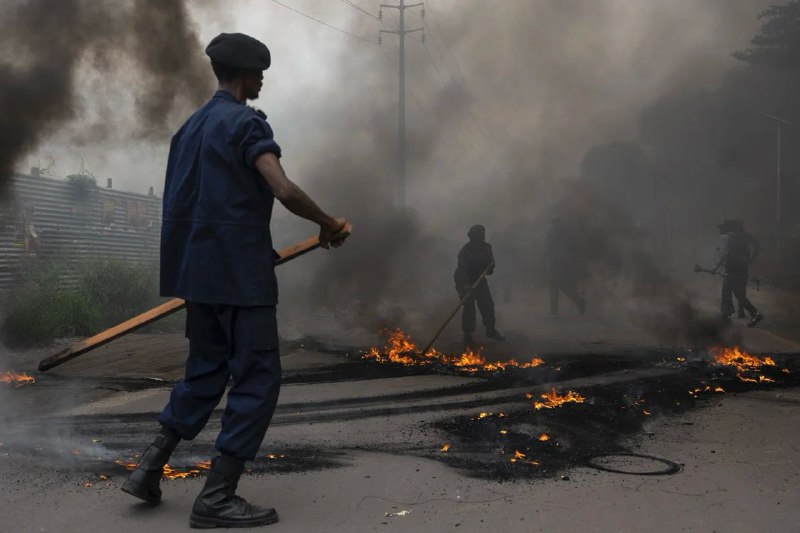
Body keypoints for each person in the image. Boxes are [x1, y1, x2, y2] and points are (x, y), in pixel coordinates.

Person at [120, 32, 347, 528]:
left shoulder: (189, 128)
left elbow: (203, 205)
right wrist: (327, 223)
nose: (263, 79)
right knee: (258, 379)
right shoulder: (245, 123)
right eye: (259, 72)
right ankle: (217, 496)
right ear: (244, 74)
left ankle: (147, 468)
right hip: (240, 281)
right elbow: (281, 188)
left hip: (198, 276)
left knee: (204, 372)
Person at [454, 224, 505, 347]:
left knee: (487, 303)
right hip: (464, 280)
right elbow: (462, 269)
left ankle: (490, 330)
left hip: (479, 279)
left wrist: (490, 267)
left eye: (482, 236)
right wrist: (465, 286)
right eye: (478, 236)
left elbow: (491, 265)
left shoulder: (486, 248)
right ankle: (467, 335)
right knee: (469, 306)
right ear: (472, 237)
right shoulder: (466, 251)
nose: (481, 238)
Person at [712, 219, 763, 327]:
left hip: (731, 269)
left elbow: (724, 255)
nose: (721, 230)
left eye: (722, 228)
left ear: (726, 228)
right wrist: (752, 259)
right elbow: (756, 245)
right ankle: (751, 313)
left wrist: (715, 268)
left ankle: (727, 316)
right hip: (742, 269)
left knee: (727, 292)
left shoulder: (725, 238)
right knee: (739, 293)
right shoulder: (742, 237)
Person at [543, 216, 585, 317]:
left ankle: (554, 311)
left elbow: (548, 248)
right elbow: (575, 247)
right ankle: (578, 301)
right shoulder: (568, 232)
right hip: (565, 263)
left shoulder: (553, 233)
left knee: (554, 287)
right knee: (564, 287)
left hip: (556, 263)